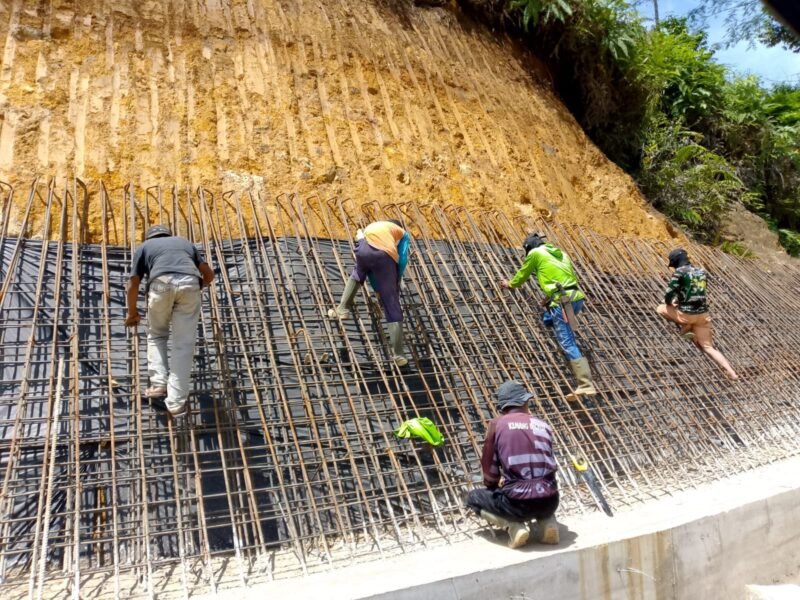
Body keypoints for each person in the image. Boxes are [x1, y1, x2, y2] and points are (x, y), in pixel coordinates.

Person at [125, 225, 215, 417]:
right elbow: (209, 275)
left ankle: (158, 383)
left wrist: (132, 313)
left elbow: (133, 284)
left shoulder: (145, 247)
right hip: (190, 283)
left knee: (157, 334)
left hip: (161, 283)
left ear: (149, 236)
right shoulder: (184, 243)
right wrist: (195, 287)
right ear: (168, 234)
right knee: (183, 345)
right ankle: (176, 404)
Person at [466, 380, 560, 549]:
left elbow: (490, 474)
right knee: (540, 487)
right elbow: (550, 464)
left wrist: (494, 487)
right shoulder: (543, 425)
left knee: (473, 498)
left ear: (503, 407)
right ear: (525, 402)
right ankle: (548, 522)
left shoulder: (497, 425)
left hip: (518, 505)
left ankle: (514, 527)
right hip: (550, 501)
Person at [500, 233, 596, 399]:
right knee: (549, 319)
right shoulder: (562, 254)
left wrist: (510, 284)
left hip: (562, 301)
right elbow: (568, 277)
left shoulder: (535, 254)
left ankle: (586, 385)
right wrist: (550, 296)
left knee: (567, 341)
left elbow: (523, 274)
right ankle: (552, 323)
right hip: (575, 298)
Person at [328, 219, 411, 367]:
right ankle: (398, 355)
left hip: (363, 248)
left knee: (357, 275)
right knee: (392, 305)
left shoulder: (373, 227)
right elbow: (403, 258)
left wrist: (377, 288)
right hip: (384, 256)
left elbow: (372, 269)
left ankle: (342, 309)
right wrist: (396, 279)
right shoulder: (402, 234)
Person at [657, 248, 738, 380]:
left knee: (660, 308)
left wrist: (669, 303)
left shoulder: (679, 272)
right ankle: (731, 372)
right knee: (708, 347)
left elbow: (669, 293)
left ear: (676, 261)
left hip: (687, 315)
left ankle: (686, 327)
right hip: (703, 315)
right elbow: (697, 291)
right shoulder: (701, 272)